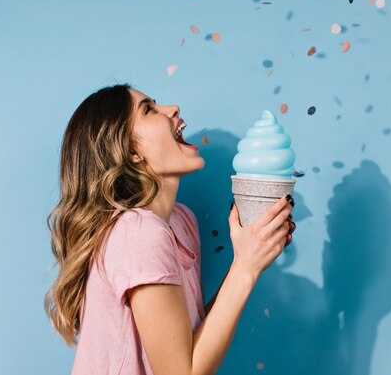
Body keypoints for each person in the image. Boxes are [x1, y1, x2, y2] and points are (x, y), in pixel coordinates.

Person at [44, 83, 297, 375]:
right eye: (149, 110)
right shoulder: (137, 233)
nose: (173, 108)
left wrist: (252, 256)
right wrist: (245, 268)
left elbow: (189, 345)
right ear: (130, 152)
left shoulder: (181, 221)